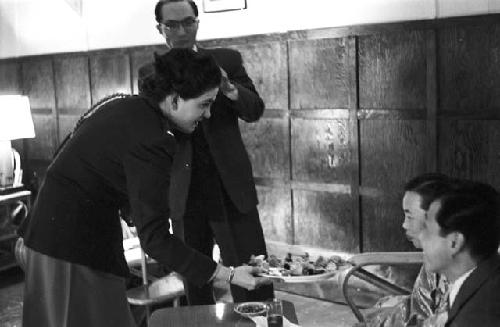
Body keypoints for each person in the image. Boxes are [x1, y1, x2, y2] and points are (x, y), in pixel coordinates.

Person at [18, 49, 270, 327]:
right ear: (174, 99)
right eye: (204, 104)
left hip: (60, 235)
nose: (209, 114)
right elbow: (156, 239)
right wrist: (229, 275)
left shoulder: (124, 105)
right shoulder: (153, 138)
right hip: (68, 248)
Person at [138, 0, 273, 305]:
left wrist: (228, 88)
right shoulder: (150, 73)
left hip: (230, 186)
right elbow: (151, 129)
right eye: (172, 25)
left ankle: (262, 323)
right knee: (196, 280)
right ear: (160, 28)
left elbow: (254, 110)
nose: (181, 31)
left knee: (253, 273)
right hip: (183, 188)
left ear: (198, 22)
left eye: (188, 22)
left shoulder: (227, 59)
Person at [362, 173, 453, 327]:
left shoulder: (472, 276)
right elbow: (417, 310)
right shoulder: (433, 258)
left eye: (410, 217)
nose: (404, 225)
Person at [419, 180, 500, 327]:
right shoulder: (488, 278)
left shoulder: (477, 316)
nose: (420, 237)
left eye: (426, 228)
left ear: (454, 243)